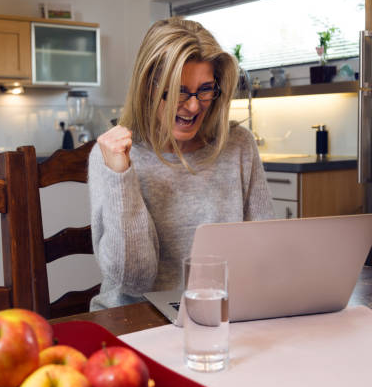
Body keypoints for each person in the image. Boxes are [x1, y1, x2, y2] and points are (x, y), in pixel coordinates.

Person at [88, 17, 274, 310]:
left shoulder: (239, 145)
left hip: (221, 313)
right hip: (136, 319)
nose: (194, 105)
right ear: (148, 87)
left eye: (205, 89)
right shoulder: (112, 158)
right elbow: (134, 281)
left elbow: (265, 253)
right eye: (179, 91)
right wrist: (120, 177)